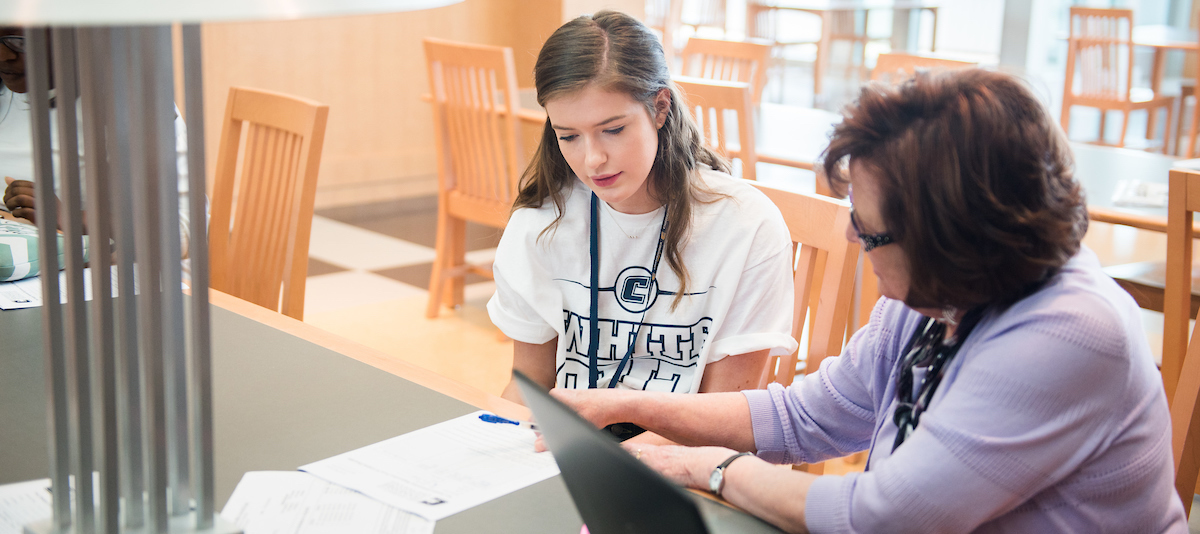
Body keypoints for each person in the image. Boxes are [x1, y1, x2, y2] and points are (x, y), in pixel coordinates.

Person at [548, 69, 1189, 533]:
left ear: (952, 239)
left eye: (871, 229)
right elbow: (810, 418)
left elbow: (885, 516)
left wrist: (709, 469)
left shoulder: (1070, 334)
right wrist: (627, 404)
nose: (853, 239)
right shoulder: (938, 295)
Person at [488, 11, 797, 404]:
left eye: (613, 130)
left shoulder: (746, 225)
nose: (592, 159)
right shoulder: (541, 222)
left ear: (660, 107)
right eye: (568, 136)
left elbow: (726, 416)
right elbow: (527, 385)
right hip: (573, 451)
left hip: (689, 455)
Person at [0, 27, 195, 260]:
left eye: (18, 41)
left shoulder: (129, 101)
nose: (4, 55)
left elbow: (183, 230)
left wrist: (72, 218)